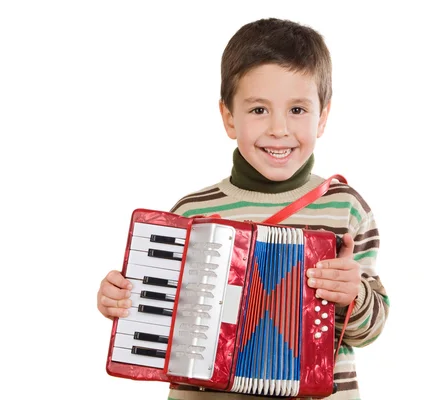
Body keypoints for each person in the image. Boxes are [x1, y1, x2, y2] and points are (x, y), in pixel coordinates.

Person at [97, 17, 389, 400]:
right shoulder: (192, 213)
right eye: (258, 110)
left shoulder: (344, 208)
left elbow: (370, 328)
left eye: (298, 110)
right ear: (229, 117)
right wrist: (123, 300)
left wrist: (353, 295)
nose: (279, 129)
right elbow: (157, 320)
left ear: (323, 117)